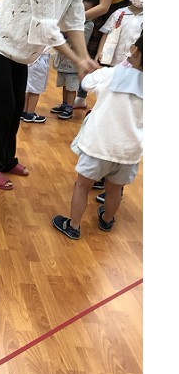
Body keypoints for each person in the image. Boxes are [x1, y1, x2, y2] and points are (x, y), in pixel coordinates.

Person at [0, 0, 100, 191]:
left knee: (15, 107)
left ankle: (5, 160)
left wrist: (85, 57)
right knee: (1, 108)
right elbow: (45, 27)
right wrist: (77, 60)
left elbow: (74, 18)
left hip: (21, 52)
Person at [52, 33, 142, 240]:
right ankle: (107, 220)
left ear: (134, 50)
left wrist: (88, 70)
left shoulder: (111, 74)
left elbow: (85, 83)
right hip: (129, 151)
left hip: (99, 145)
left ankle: (73, 226)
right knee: (115, 189)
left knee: (83, 186)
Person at [75, 0, 134, 109]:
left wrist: (73, 21)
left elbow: (103, 7)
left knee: (107, 59)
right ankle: (81, 95)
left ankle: (101, 102)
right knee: (91, 51)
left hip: (116, 2)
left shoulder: (122, 9)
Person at [50, 0, 99, 120]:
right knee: (65, 85)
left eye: (86, 11)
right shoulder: (68, 23)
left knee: (72, 87)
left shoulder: (88, 25)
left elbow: (74, 40)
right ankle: (64, 103)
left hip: (73, 64)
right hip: (64, 61)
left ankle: (69, 107)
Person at [95, 0, 143, 67]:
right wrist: (100, 51)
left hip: (134, 64)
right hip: (113, 60)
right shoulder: (118, 13)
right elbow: (106, 33)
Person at [20, 50, 50, 123]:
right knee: (35, 90)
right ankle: (30, 114)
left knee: (28, 88)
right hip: (39, 59)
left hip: (29, 59)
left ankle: (24, 111)